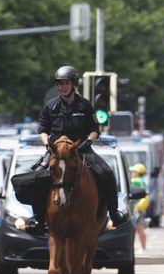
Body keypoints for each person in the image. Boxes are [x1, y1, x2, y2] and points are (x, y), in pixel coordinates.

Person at [30, 65, 124, 234]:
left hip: (81, 150)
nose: (62, 87)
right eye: (60, 84)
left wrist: (88, 142)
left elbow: (95, 129)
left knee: (107, 173)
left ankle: (114, 212)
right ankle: (37, 218)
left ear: (74, 84)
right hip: (56, 152)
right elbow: (43, 130)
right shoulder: (50, 107)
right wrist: (47, 145)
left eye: (66, 83)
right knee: (36, 178)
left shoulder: (86, 106)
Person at [130, 163, 148, 253]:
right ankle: (143, 247)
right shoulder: (142, 180)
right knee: (140, 228)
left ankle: (143, 248)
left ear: (138, 172)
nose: (132, 172)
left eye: (134, 171)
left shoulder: (137, 181)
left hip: (137, 208)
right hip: (139, 208)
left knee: (139, 228)